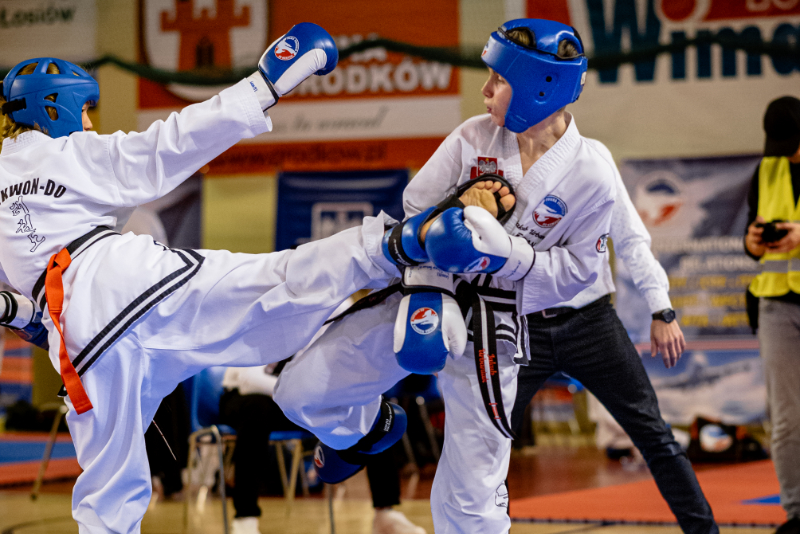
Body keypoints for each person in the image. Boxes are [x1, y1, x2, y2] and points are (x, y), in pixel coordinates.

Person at [0, 23, 406, 534]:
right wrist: (264, 86)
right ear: (53, 108)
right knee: (270, 285)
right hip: (127, 286)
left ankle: (357, 428)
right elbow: (167, 145)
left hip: (82, 342)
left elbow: (25, 299)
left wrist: (24, 313)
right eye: (83, 111)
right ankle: (394, 245)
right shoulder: (73, 153)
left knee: (107, 498)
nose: (87, 123)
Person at [275, 19, 617, 532]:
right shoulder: (474, 137)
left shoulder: (592, 174)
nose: (485, 90)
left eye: (498, 80)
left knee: (472, 495)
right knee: (300, 393)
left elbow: (581, 271)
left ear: (539, 87)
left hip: (495, 325)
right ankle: (368, 430)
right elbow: (415, 207)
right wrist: (435, 272)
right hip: (423, 292)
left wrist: (509, 257)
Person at [509, 134, 720, 534]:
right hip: (519, 325)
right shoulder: (489, 153)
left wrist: (661, 308)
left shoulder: (592, 157)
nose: (490, 102)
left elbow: (630, 238)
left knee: (655, 435)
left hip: (590, 322)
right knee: (487, 443)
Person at [221, 362, 425, 534]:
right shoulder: (269, 328)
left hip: (299, 400)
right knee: (257, 411)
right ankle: (245, 518)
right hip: (246, 397)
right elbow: (250, 381)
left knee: (372, 412)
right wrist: (309, 396)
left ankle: (385, 512)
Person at [745, 95, 800, 534]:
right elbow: (752, 237)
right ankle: (796, 513)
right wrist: (753, 243)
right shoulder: (767, 170)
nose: (785, 153)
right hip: (777, 304)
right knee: (786, 418)